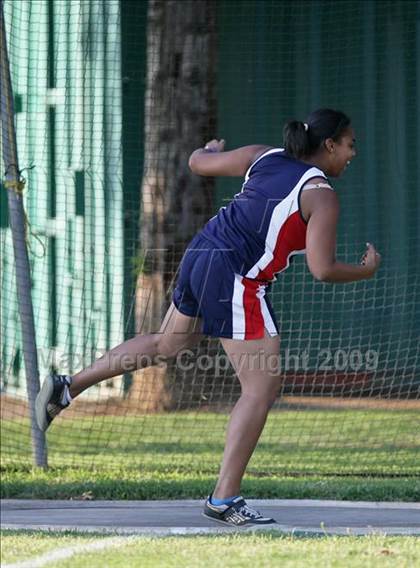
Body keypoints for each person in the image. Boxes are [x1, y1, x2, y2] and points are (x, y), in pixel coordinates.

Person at [36, 108, 381, 527]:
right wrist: (364, 270)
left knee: (168, 343)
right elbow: (322, 268)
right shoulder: (321, 194)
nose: (352, 153)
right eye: (350, 144)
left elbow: (198, 163)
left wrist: (210, 149)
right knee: (263, 385)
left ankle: (65, 388)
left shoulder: (263, 155)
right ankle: (224, 498)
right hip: (235, 273)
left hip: (203, 253)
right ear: (329, 144)